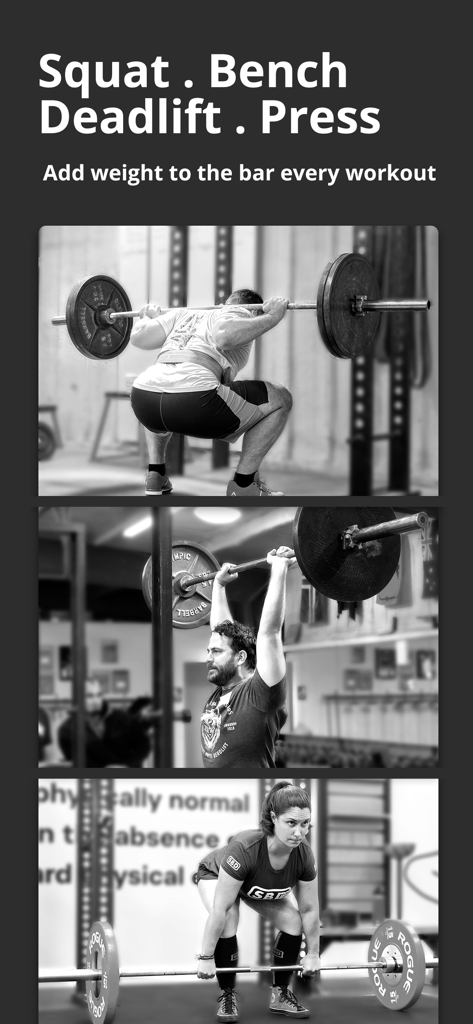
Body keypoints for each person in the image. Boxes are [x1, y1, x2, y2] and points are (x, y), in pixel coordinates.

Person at [129, 291, 292, 497]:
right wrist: (272, 316)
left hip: (144, 400)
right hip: (194, 403)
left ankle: (156, 474)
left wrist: (146, 316)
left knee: (161, 381)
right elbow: (223, 336)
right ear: (253, 310)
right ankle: (243, 486)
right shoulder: (238, 311)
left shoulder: (183, 314)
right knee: (281, 398)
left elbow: (138, 338)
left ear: (222, 303)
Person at [196, 781, 321, 1020]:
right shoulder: (245, 848)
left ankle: (281, 994)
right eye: (291, 823)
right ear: (274, 818)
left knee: (293, 921)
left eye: (305, 824)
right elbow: (220, 909)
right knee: (230, 917)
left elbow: (309, 909)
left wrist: (313, 954)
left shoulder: (304, 855)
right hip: (216, 874)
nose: (299, 832)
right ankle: (227, 994)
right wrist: (206, 957)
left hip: (254, 885)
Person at [201, 547, 294, 770]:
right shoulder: (223, 690)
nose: (208, 658)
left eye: (216, 652)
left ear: (241, 657)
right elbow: (220, 631)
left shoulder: (260, 694)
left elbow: (269, 633)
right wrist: (219, 586)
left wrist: (279, 569)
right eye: (208, 651)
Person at [58, 680, 155, 767]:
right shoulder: (67, 729)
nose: (96, 700)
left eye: (99, 695)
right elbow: (78, 760)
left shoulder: (123, 718)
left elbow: (143, 745)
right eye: (89, 696)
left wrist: (127, 766)